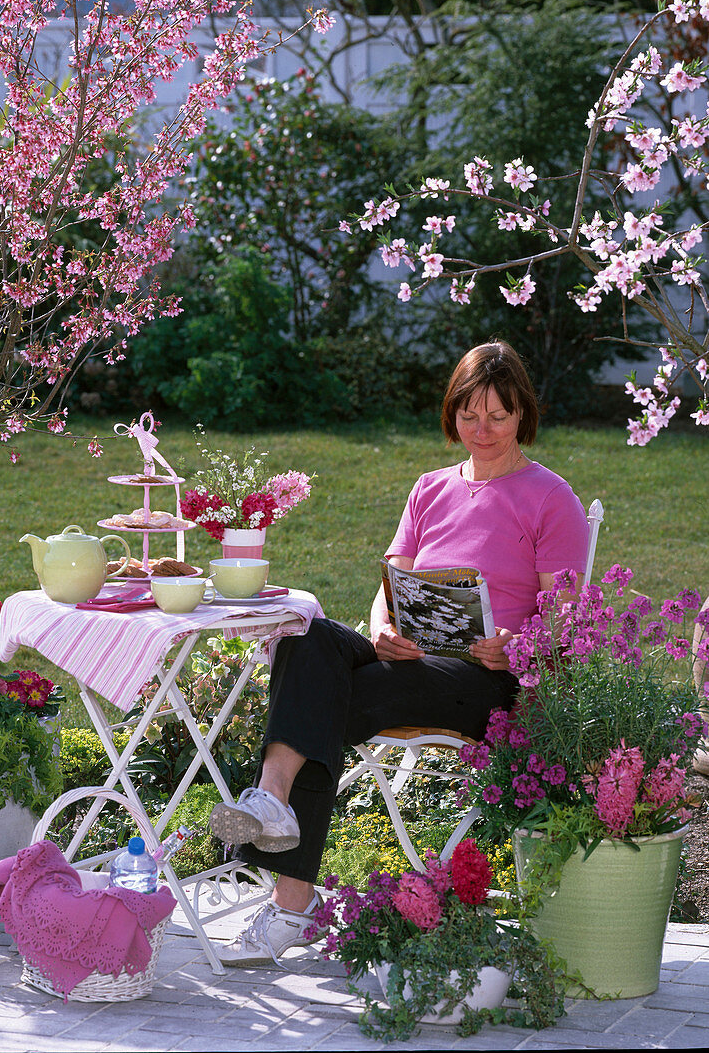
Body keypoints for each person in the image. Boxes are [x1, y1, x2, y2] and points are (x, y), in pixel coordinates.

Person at [208, 340, 590, 964]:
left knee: (325, 699)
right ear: (452, 413)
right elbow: (390, 589)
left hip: (487, 677)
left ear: (523, 413)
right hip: (409, 657)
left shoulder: (551, 499)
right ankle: (274, 802)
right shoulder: (430, 488)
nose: (483, 429)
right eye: (470, 415)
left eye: (498, 415)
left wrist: (516, 647)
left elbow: (569, 621)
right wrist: (381, 628)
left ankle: (288, 901)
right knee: (306, 635)